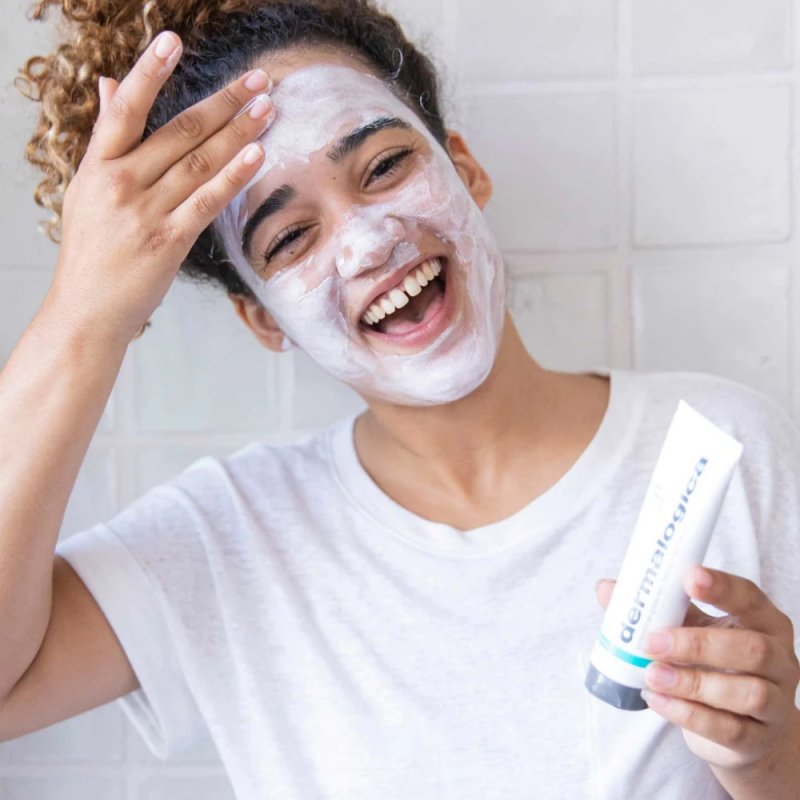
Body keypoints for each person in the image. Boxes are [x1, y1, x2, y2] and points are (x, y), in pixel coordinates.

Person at [0, 1, 798, 798]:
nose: (368, 242)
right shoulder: (226, 539)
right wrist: (84, 317)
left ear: (465, 169)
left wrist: (766, 762)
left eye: (383, 167)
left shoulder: (726, 450)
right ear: (264, 320)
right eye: (290, 237)